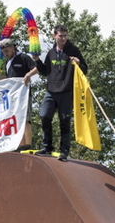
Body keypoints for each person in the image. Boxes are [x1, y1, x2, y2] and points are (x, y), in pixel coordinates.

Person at [33, 25, 87, 162]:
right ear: (54, 36)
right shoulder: (51, 52)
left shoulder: (73, 50)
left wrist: (78, 63)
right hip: (51, 91)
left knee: (64, 121)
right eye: (60, 36)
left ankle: (64, 151)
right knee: (44, 116)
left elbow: (85, 70)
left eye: (65, 36)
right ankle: (47, 147)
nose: (63, 38)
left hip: (66, 92)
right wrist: (37, 61)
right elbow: (45, 71)